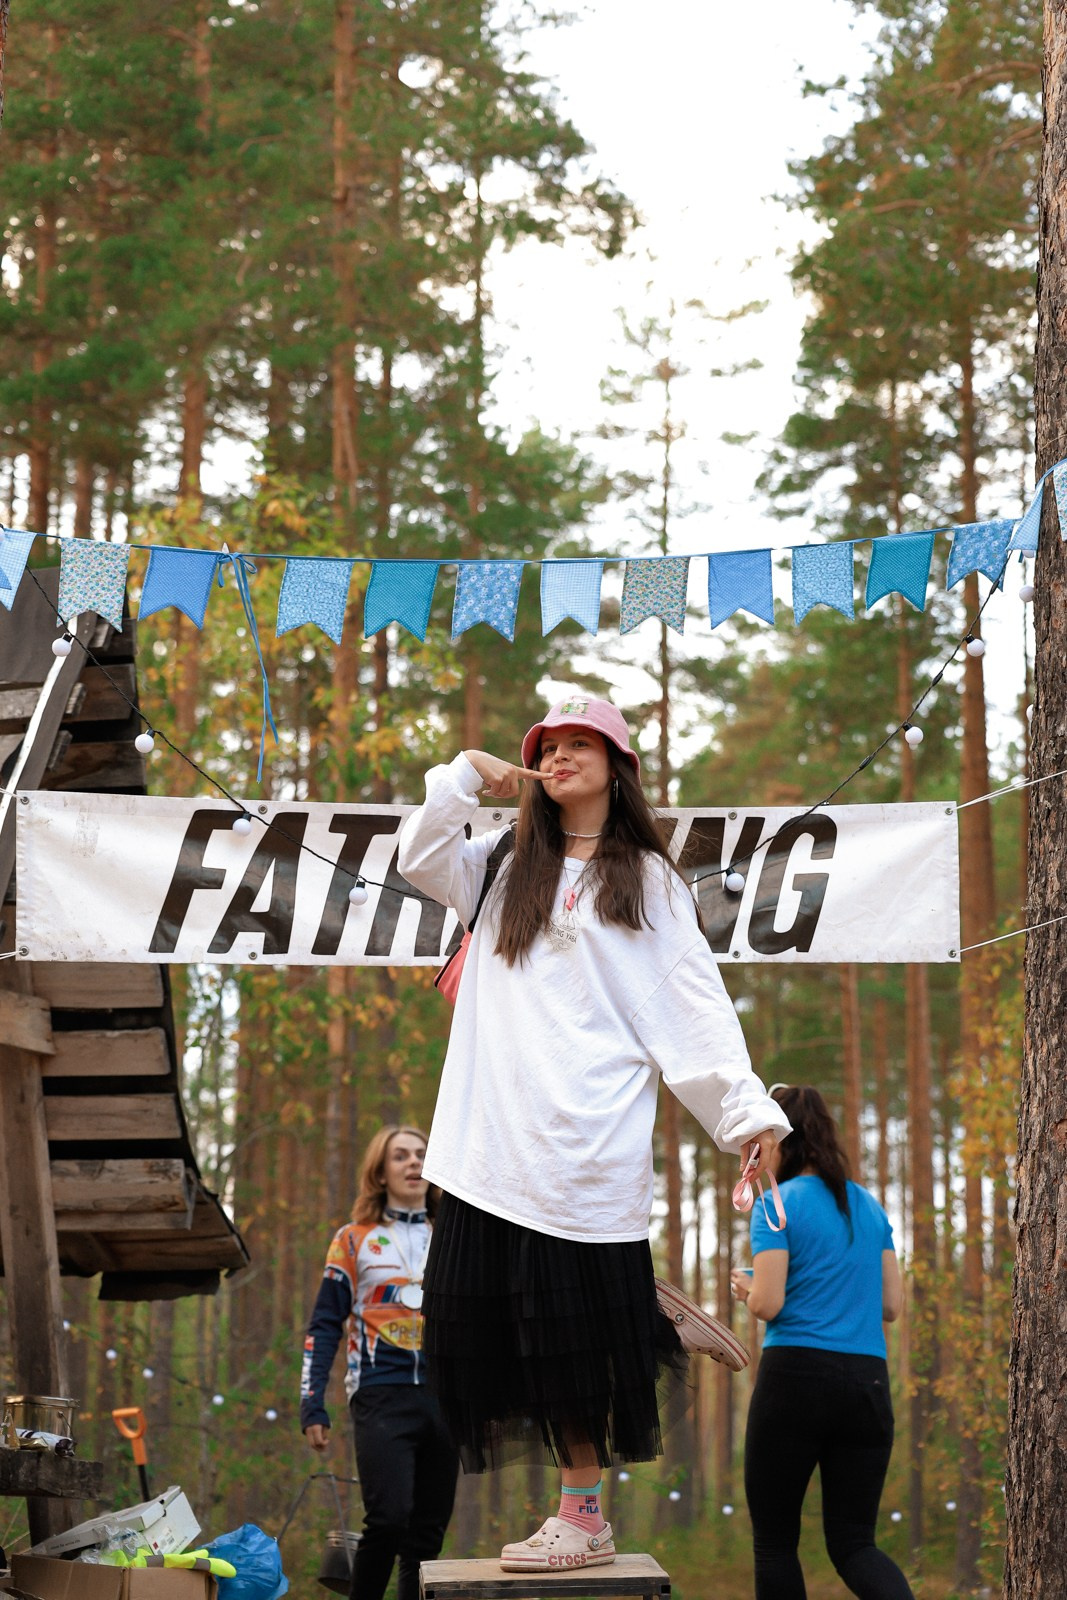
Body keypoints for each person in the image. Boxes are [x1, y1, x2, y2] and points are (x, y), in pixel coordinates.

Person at [396, 693, 789, 1572]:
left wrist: (746, 1114)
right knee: (484, 1329)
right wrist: (467, 773)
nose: (563, 755)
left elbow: (690, 1007)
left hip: (582, 1143)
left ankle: (583, 1519)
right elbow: (418, 854)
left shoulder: (645, 881)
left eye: (583, 743)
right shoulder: (501, 861)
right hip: (484, 1142)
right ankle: (641, 1318)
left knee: (566, 1343)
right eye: (550, 744)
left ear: (619, 765)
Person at [730, 1084, 914, 1600]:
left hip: (795, 1381)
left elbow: (768, 1303)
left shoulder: (776, 1204)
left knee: (775, 1543)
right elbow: (892, 1306)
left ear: (779, 1140)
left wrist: (748, 1288)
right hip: (867, 1384)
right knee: (856, 1545)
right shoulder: (869, 1208)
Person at [300, 1125, 458, 1600]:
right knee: (388, 1519)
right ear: (380, 1172)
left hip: (445, 1397)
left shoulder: (452, 1239)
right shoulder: (353, 1240)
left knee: (427, 1539)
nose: (413, 1163)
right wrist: (312, 1404)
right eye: (400, 1156)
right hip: (380, 1393)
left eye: (421, 1156)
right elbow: (325, 1324)